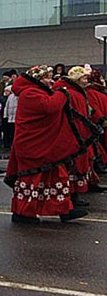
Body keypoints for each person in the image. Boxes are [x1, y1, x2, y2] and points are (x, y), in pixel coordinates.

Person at [6, 66, 91, 224]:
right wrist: (63, 92)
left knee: (56, 175)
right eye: (47, 77)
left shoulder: (36, 91)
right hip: (33, 145)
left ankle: (63, 208)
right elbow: (50, 106)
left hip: (45, 144)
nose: (50, 80)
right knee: (32, 179)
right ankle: (23, 213)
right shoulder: (30, 93)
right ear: (38, 79)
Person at [56, 66, 100, 204]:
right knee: (73, 165)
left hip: (81, 132)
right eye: (84, 77)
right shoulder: (70, 93)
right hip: (74, 134)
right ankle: (72, 196)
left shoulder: (78, 93)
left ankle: (75, 194)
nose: (86, 80)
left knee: (80, 163)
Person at [85, 70, 107, 193]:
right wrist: (100, 119)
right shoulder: (91, 92)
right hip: (95, 126)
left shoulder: (95, 91)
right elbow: (93, 108)